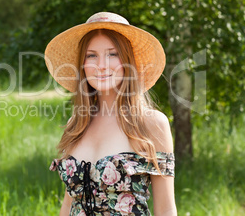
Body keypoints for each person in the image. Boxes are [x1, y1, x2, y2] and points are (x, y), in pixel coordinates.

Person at [45, 12, 177, 216]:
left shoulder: (151, 124)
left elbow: (166, 209)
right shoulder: (77, 123)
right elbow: (67, 205)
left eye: (112, 54)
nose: (101, 65)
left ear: (127, 61)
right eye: (91, 55)